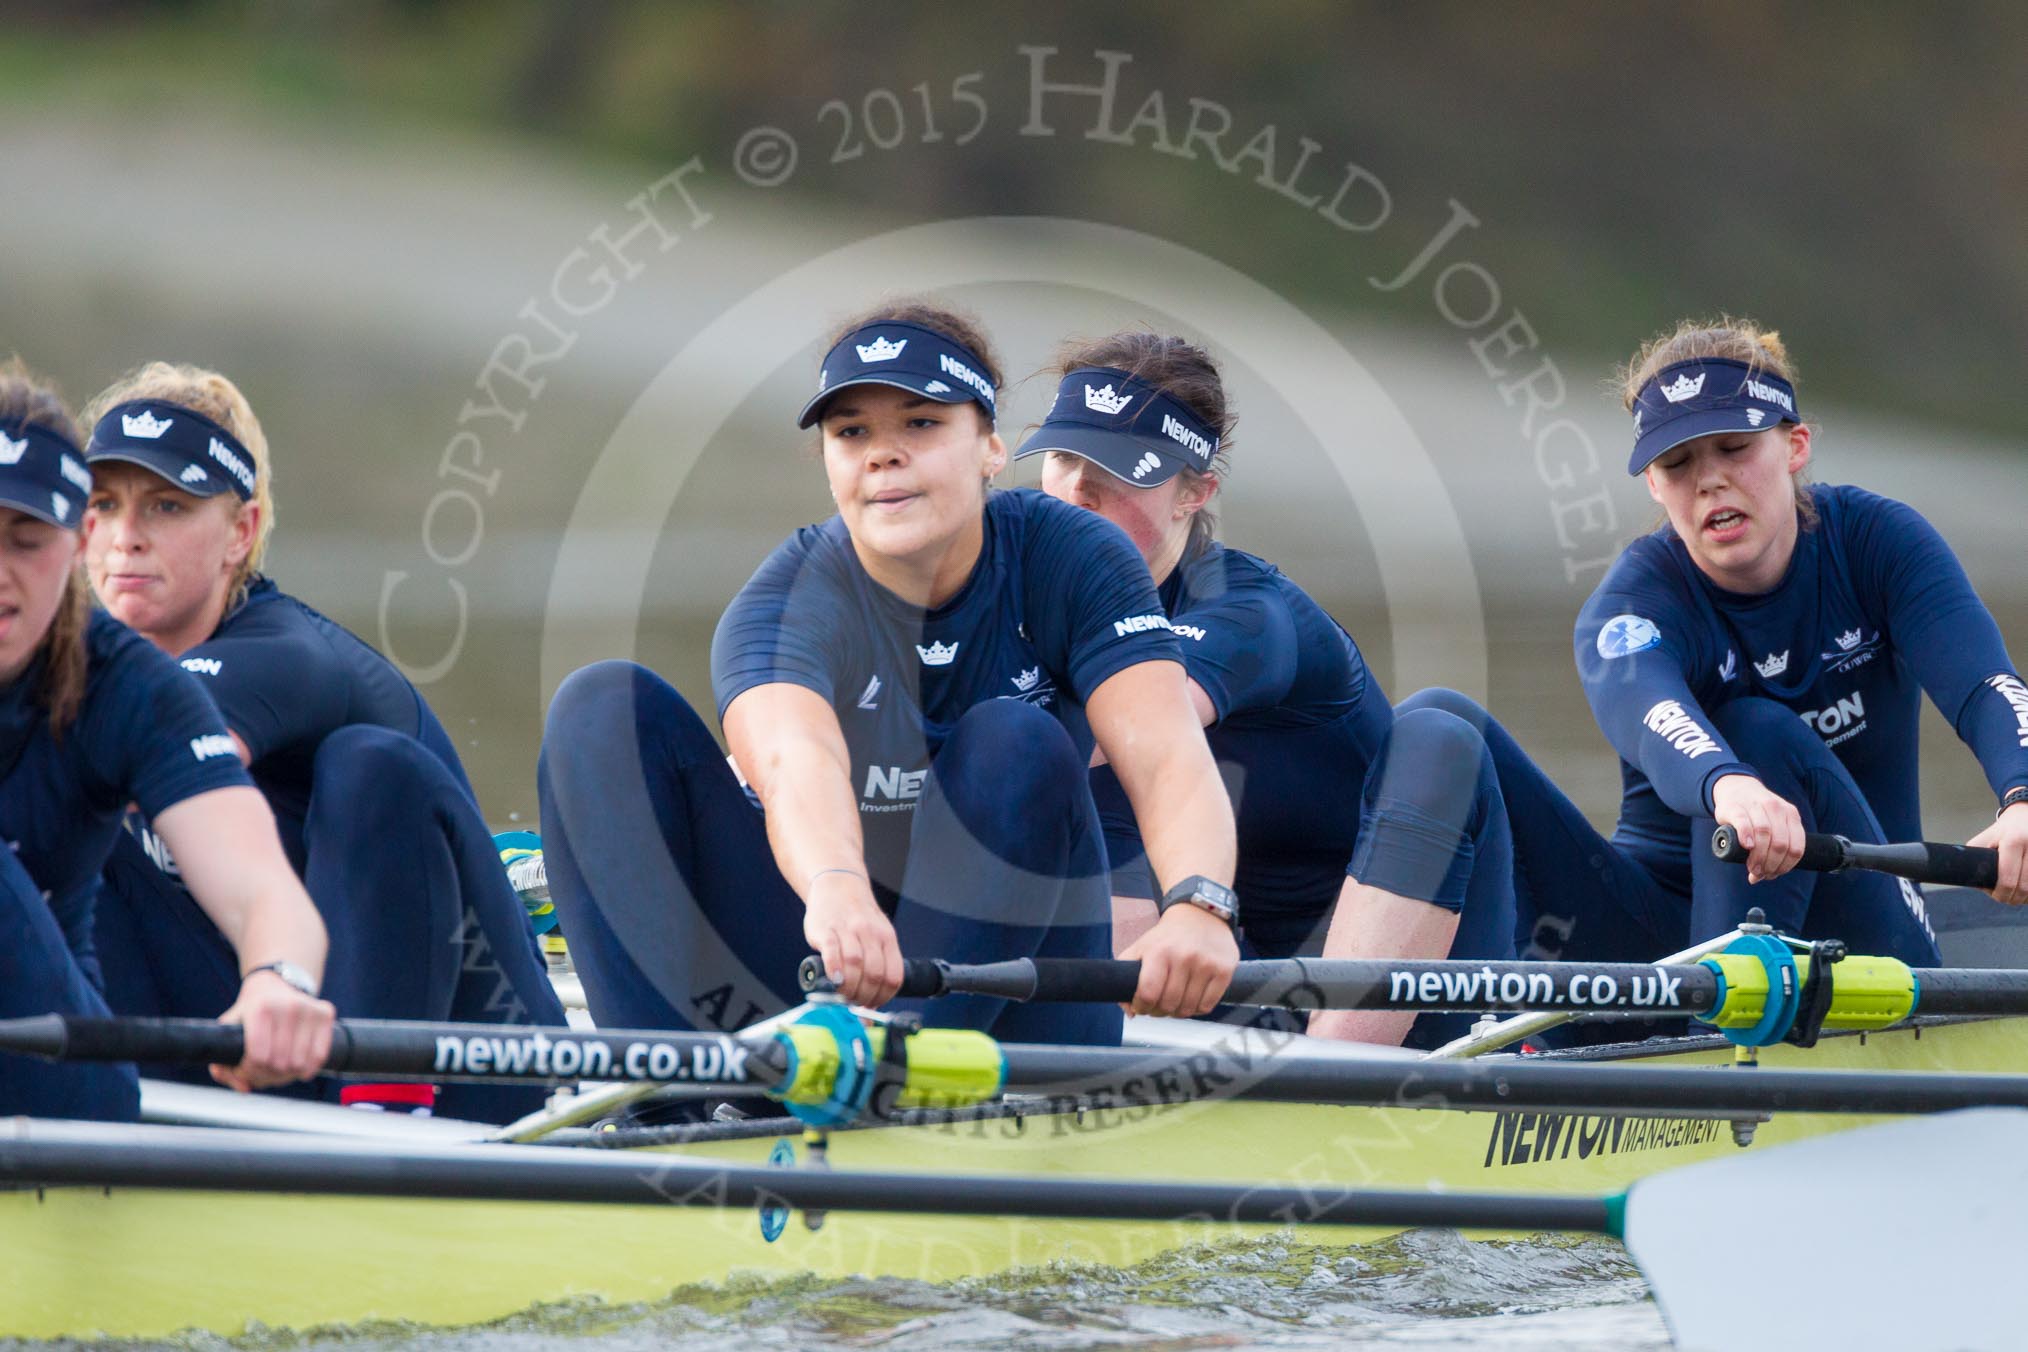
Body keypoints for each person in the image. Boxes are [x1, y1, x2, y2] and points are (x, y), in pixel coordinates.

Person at [540, 300, 1241, 1046]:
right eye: (852, 433)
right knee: (600, 706)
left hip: (1015, 1002)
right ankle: (666, 1094)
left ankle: (883, 1084)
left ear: (991, 448)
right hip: (835, 953)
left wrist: (1199, 906)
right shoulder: (790, 599)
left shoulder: (1075, 557)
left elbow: (1166, 753)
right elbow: (792, 762)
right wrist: (836, 888)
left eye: (920, 423)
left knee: (1016, 739)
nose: (883, 453)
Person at [1353, 319, 2026, 1005]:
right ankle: (1411, 1035)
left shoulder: (1881, 544)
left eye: (1734, 449)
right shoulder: (1634, 606)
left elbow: (1987, 685)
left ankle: (1717, 1045)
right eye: (1678, 465)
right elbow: (1647, 710)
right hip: (1667, 953)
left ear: (1795, 446)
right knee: (1440, 721)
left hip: (1868, 935)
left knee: (1757, 729)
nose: (1709, 482)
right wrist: (1724, 785)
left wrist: (2022, 796)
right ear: (1652, 482)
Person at [81, 363, 565, 1122]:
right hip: (272, 1047)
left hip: (474, 1066)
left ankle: (379, 1121)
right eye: (103, 505)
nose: (126, 538)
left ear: (240, 532)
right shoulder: (84, 671)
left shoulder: (285, 655)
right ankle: (96, 1111)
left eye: (167, 506)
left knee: (366, 765)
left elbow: (125, 757)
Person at [1022, 333, 1516, 1047]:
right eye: (1064, 459)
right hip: (1232, 983)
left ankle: (1335, 1084)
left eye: (1118, 470)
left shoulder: (1251, 615)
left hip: (1414, 998)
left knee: (1440, 735)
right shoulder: (1043, 613)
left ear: (1196, 493)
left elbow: (1131, 728)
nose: (1075, 493)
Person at [0, 360, 332, 1121]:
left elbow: (261, 890)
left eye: (26, 540)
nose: (1, 574)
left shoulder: (128, 685)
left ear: (78, 538)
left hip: (58, 1087)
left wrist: (278, 983)